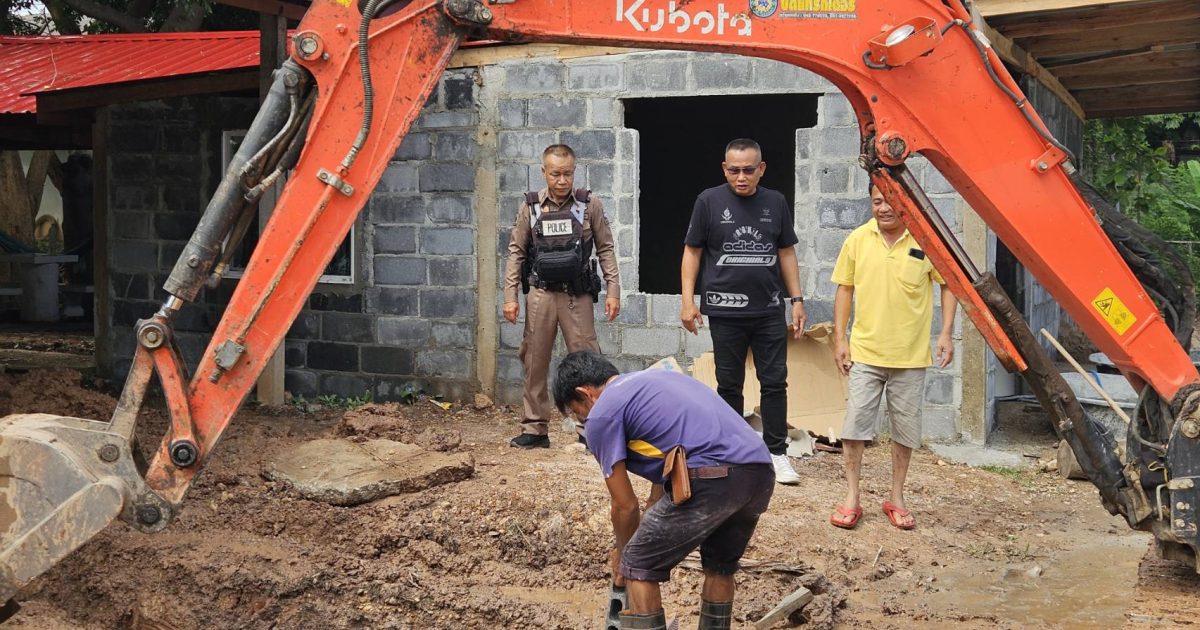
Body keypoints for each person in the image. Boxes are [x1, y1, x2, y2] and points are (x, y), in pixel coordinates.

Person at [553, 350, 774, 630]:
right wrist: (650, 517)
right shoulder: (653, 382)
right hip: (759, 472)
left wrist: (623, 555)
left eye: (577, 411)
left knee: (637, 564)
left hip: (713, 476)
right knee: (719, 566)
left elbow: (624, 505)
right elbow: (670, 457)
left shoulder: (602, 413)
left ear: (585, 393)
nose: (582, 419)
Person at [828, 181, 958, 530]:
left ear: (906, 202)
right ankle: (852, 496)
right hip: (865, 354)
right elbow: (844, 289)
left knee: (905, 431)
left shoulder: (925, 241)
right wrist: (840, 339)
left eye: (891, 201)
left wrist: (946, 333)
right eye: (877, 201)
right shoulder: (858, 239)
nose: (883, 208)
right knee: (855, 427)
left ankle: (897, 498)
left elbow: (948, 285)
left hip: (910, 357)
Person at [680, 138, 806, 485]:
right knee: (729, 384)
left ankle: (776, 453)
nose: (741, 177)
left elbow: (786, 252)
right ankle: (733, 452)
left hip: (768, 310)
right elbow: (692, 251)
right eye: (734, 170)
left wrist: (797, 300)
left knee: (774, 382)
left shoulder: (775, 202)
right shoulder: (708, 201)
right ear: (724, 169)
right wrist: (688, 301)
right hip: (724, 310)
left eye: (748, 170)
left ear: (761, 169)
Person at [504, 144, 621, 448]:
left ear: (574, 171)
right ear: (544, 172)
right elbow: (516, 251)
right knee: (534, 360)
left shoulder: (589, 204)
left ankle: (591, 430)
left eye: (567, 174)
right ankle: (534, 428)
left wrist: (613, 291)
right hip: (541, 294)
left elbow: (606, 248)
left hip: (576, 296)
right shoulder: (530, 206)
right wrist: (510, 296)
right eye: (555, 174)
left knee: (587, 363)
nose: (562, 180)